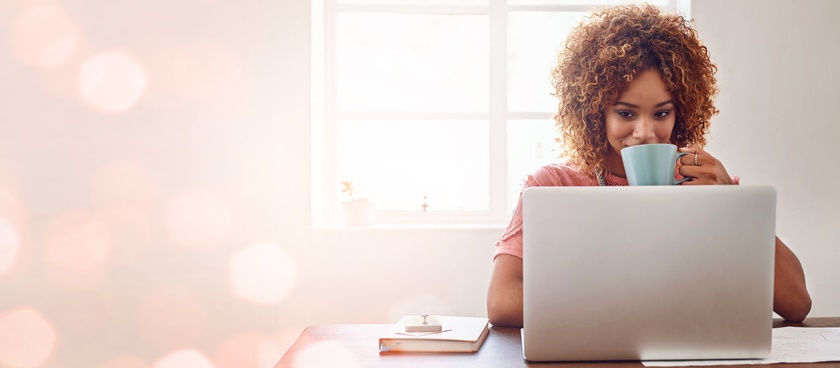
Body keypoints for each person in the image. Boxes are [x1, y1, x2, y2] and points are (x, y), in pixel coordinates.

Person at [486, 4, 811, 327]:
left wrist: (732, 202)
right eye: (626, 113)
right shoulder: (553, 185)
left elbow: (796, 303)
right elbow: (502, 302)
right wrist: (634, 310)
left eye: (661, 113)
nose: (645, 133)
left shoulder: (701, 184)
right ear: (596, 113)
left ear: (680, 113)